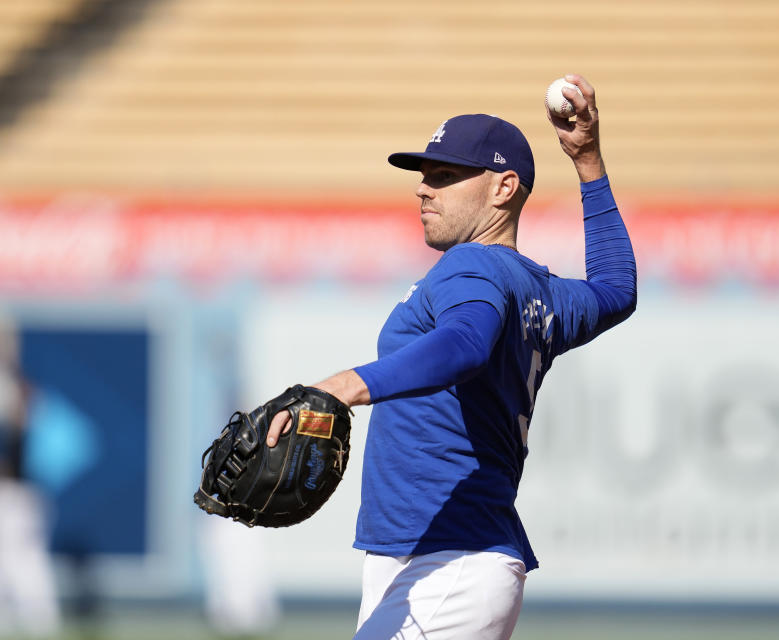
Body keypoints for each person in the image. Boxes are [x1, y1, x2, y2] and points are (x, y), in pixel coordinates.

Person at [267, 74, 637, 639]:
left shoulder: (476, 267)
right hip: (429, 557)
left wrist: (343, 386)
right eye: (423, 176)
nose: (423, 189)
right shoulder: (542, 292)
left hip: (450, 560)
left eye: (445, 176)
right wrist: (587, 161)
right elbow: (616, 289)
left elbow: (465, 345)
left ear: (503, 187)